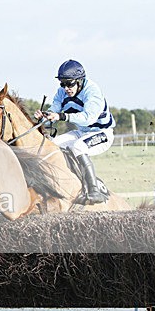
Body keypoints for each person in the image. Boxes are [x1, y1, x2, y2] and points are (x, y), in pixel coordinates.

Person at [34, 59, 114, 204]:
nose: (66, 88)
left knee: (78, 146)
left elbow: (88, 118)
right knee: (53, 145)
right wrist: (45, 116)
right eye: (62, 84)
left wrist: (62, 116)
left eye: (69, 83)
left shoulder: (92, 91)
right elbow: (55, 110)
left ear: (80, 81)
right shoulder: (62, 92)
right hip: (82, 132)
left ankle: (94, 191)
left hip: (102, 133)